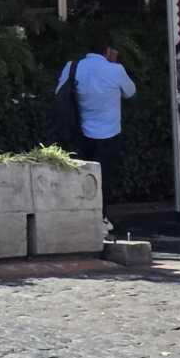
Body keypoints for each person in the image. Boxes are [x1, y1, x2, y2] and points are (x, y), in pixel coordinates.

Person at [58, 41, 136, 228]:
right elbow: (131, 93)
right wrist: (114, 65)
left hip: (80, 133)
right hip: (110, 134)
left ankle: (82, 217)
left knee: (82, 176)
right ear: (107, 50)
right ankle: (101, 217)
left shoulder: (72, 67)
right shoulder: (115, 70)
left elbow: (59, 93)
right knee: (104, 178)